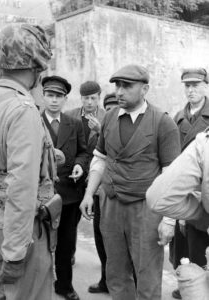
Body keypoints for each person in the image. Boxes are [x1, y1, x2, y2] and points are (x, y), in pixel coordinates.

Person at [0, 23, 55, 300]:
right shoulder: (22, 108)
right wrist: (16, 251)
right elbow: (22, 184)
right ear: (35, 63)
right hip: (18, 226)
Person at [80, 64, 181, 300]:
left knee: (147, 276)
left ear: (144, 89)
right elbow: (100, 158)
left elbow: (172, 176)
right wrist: (88, 193)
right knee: (115, 272)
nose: (119, 91)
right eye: (117, 85)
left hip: (145, 210)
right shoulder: (109, 119)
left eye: (127, 86)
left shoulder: (163, 123)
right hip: (112, 205)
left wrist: (169, 220)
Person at [41, 75, 88, 300]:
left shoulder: (75, 123)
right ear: (43, 96)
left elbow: (83, 151)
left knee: (66, 244)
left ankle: (65, 285)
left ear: (65, 99)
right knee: (40, 244)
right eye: (50, 95)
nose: (53, 101)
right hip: (41, 195)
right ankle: (41, 285)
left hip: (69, 194)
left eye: (58, 96)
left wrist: (80, 165)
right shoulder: (32, 122)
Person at [169, 68, 209, 300]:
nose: (191, 90)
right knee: (181, 245)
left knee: (200, 245)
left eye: (196, 85)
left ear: (205, 86)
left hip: (204, 192)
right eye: (187, 85)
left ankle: (199, 287)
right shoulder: (178, 117)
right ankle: (188, 282)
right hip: (182, 192)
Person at [66, 81, 108, 294]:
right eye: (86, 98)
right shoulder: (71, 116)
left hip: (97, 179)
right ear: (80, 99)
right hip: (75, 175)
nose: (89, 102)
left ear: (99, 97)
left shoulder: (106, 118)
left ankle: (107, 274)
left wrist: (100, 131)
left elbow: (110, 148)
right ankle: (70, 253)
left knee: (101, 227)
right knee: (70, 220)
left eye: (93, 98)